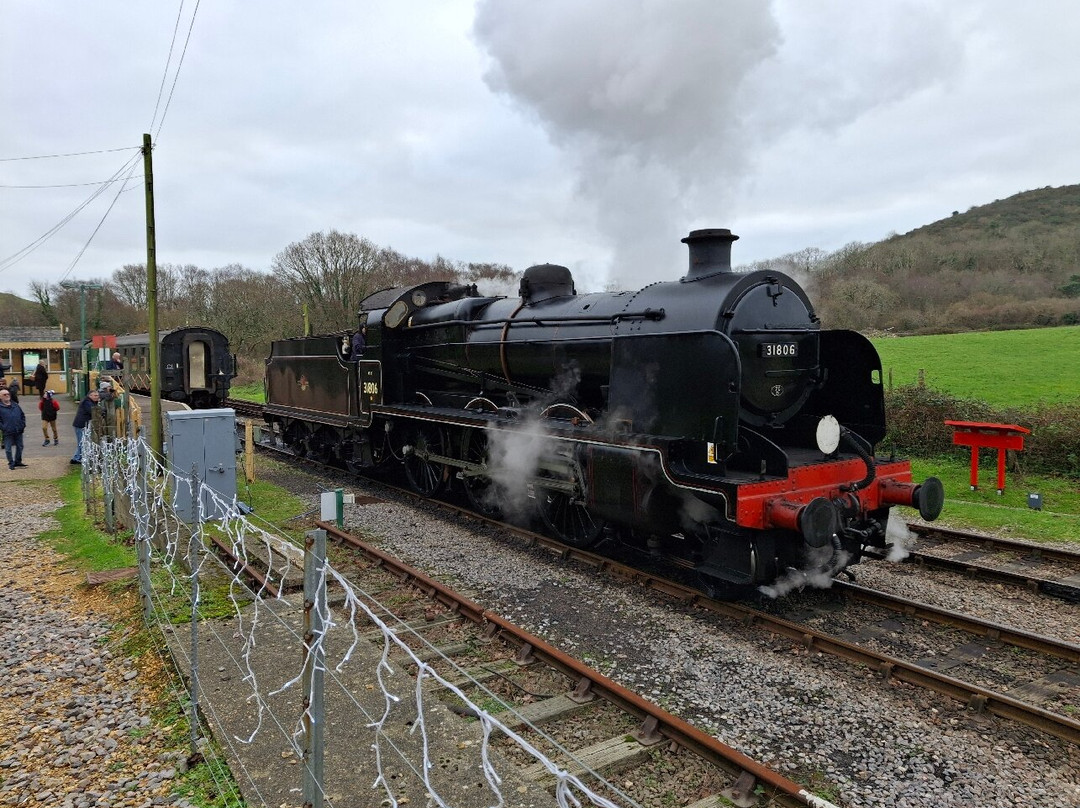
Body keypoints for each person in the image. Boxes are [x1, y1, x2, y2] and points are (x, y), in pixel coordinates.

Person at [0, 388, 27, 469]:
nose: (7, 395)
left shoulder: (15, 405)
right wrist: (4, 427)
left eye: (8, 394)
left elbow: (22, 415)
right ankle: (11, 463)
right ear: (0, 397)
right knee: (8, 449)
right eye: (4, 394)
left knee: (20, 446)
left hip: (18, 429)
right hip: (7, 431)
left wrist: (22, 424)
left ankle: (18, 461)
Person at [71, 388, 99, 465]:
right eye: (95, 395)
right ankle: (77, 458)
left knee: (82, 442)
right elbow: (92, 410)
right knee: (81, 442)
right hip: (81, 425)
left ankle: (76, 457)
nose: (97, 397)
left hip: (83, 425)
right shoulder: (87, 402)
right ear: (90, 396)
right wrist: (102, 410)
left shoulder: (90, 402)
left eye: (97, 395)